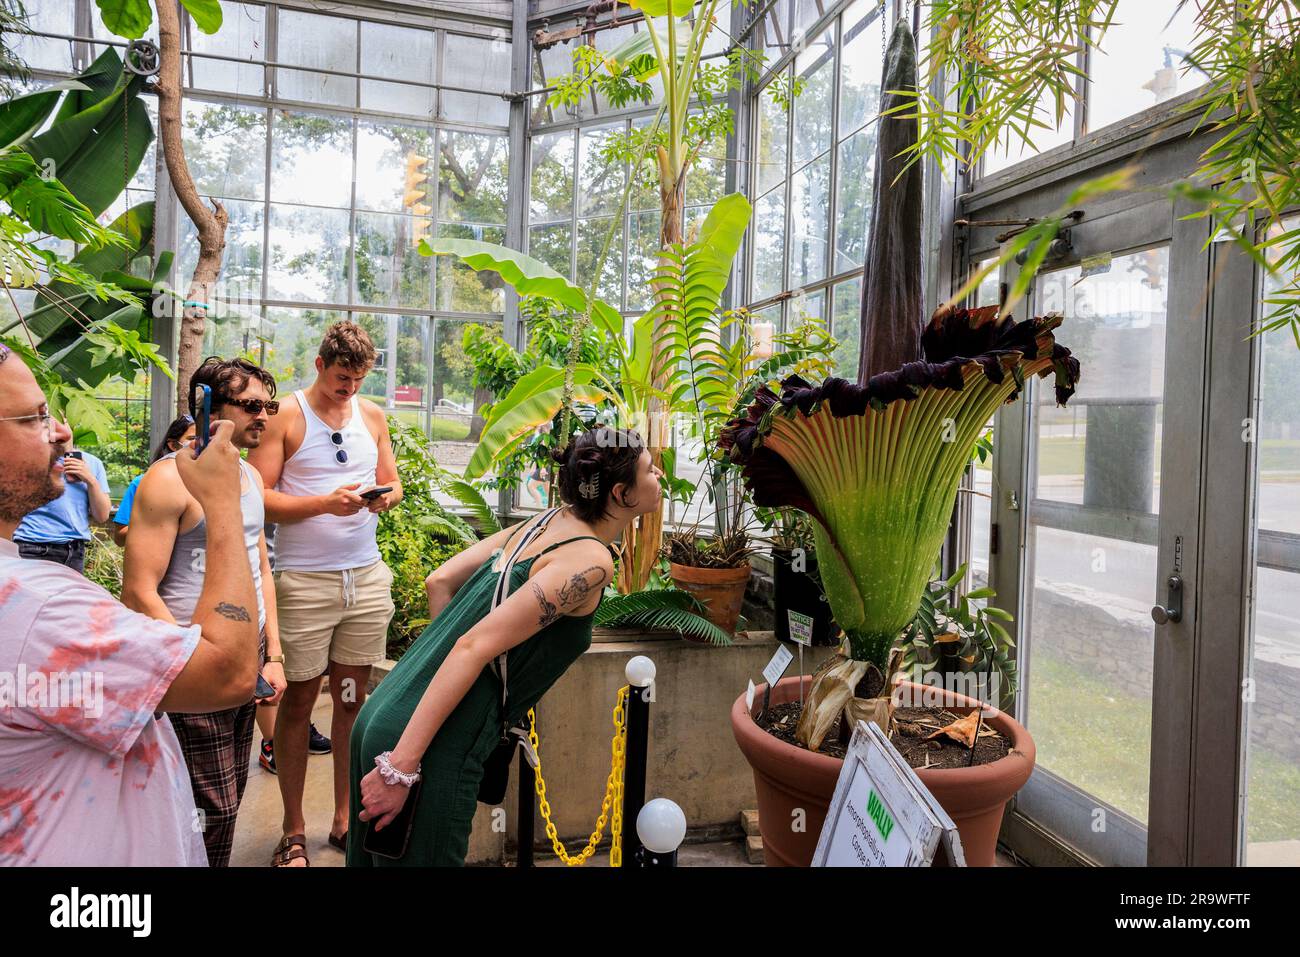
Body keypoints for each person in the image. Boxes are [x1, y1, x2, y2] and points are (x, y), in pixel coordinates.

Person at [348, 427, 663, 867]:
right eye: (650, 470)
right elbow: (472, 647)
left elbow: (438, 581)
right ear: (620, 493)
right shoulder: (590, 561)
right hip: (424, 748)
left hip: (386, 713)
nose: (660, 476)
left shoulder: (544, 521)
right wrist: (401, 768)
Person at [0, 343, 261, 865]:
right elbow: (225, 669)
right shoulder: (40, 607)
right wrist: (222, 504)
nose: (62, 431)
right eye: (35, 417)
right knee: (215, 802)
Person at [122, 357, 288, 867]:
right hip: (192, 650)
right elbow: (138, 591)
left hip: (246, 650)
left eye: (270, 405)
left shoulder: (246, 474)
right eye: (253, 405)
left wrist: (273, 653)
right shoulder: (168, 481)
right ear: (210, 408)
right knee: (204, 804)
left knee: (231, 792)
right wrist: (188, 655)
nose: (265, 416)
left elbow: (259, 564)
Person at [248, 320, 402, 866]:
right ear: (319, 365)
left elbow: (393, 479)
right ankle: (293, 830)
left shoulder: (373, 416)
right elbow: (259, 498)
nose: (349, 389)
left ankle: (343, 820)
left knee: (351, 703)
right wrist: (323, 503)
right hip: (304, 582)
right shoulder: (286, 416)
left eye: (359, 379)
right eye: (342, 378)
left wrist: (383, 498)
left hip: (363, 575)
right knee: (298, 703)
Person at [13, 436, 111, 574]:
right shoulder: (24, 457)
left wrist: (90, 479)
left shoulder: (93, 463)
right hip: (30, 546)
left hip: (74, 551)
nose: (55, 430)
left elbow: (102, 516)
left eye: (61, 421)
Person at [112, 414, 196, 546]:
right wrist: (159, 523)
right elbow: (120, 537)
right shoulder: (143, 482)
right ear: (173, 445)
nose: (199, 444)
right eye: (192, 438)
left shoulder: (210, 484)